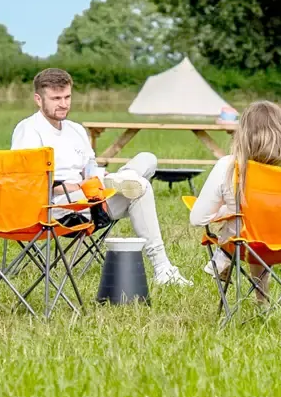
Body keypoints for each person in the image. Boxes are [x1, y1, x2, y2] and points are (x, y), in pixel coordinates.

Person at [12, 67, 190, 287]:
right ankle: (162, 268)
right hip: (57, 208)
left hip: (92, 198)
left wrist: (97, 177)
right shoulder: (29, 130)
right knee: (141, 188)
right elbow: (29, 182)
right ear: (38, 99)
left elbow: (90, 167)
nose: (63, 103)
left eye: (67, 97)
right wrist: (78, 186)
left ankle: (123, 178)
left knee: (148, 158)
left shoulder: (76, 130)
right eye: (56, 98)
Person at [188, 100, 281, 288]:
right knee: (254, 222)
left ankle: (222, 260)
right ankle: (262, 300)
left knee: (241, 222)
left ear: (243, 134)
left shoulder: (229, 166)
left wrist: (228, 210)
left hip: (246, 243)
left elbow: (198, 218)